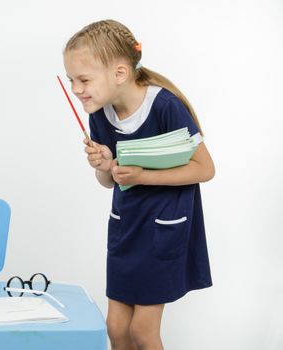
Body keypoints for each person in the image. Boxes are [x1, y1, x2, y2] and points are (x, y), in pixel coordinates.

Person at [63, 20, 215, 350]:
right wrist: (105, 166)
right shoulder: (99, 113)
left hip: (163, 230)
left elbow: (205, 169)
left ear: (119, 73)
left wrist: (143, 175)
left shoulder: (165, 106)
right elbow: (109, 181)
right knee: (116, 328)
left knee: (142, 332)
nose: (76, 89)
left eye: (84, 80)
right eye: (72, 80)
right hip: (126, 227)